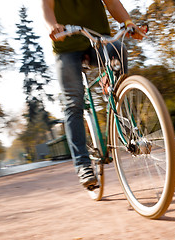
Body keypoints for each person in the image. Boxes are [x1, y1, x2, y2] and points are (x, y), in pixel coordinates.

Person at [41, 0, 143, 188]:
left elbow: (112, 3)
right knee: (74, 102)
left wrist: (128, 23)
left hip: (98, 41)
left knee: (118, 49)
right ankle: (83, 165)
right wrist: (53, 26)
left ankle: (123, 117)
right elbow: (47, 7)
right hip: (67, 47)